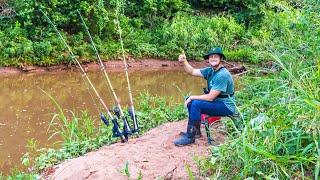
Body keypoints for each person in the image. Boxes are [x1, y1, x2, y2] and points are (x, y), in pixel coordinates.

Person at [174, 47, 236, 146]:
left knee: (196, 103)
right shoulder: (210, 70)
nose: (213, 58)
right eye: (211, 57)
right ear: (208, 59)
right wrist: (184, 62)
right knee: (191, 102)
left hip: (226, 106)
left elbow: (210, 97)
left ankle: (190, 137)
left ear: (221, 59)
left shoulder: (222, 75)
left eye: (216, 56)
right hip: (217, 102)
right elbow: (192, 71)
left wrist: (192, 97)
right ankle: (196, 132)